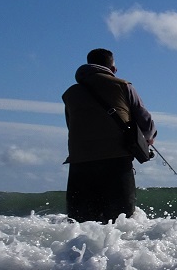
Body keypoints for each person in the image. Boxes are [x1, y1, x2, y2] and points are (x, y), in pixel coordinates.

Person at [62, 48, 156, 223]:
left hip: (79, 164)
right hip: (116, 162)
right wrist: (147, 140)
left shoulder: (70, 94)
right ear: (112, 68)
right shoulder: (123, 86)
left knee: (80, 225)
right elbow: (147, 123)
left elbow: (71, 125)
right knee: (120, 225)